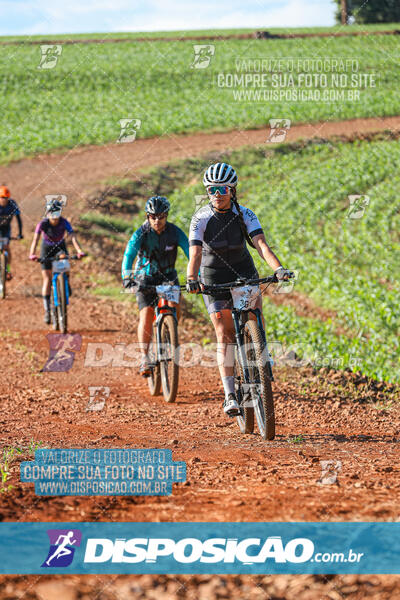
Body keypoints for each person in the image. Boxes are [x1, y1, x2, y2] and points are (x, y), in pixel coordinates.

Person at [186, 162, 292, 417]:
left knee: (254, 310)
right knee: (224, 334)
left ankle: (260, 350)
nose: (217, 194)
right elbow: (195, 253)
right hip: (213, 274)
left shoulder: (246, 214)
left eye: (222, 188)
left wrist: (279, 268)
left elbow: (261, 245)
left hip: (243, 269)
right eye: (211, 189)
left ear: (232, 190)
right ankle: (230, 395)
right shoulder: (200, 218)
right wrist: (191, 277)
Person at [121, 196, 189, 376]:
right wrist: (126, 277)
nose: (157, 220)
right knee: (147, 313)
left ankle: (170, 332)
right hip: (145, 278)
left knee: (175, 308)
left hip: (168, 277)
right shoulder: (140, 233)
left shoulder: (175, 232)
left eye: (161, 216)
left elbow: (190, 251)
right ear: (147, 216)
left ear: (166, 216)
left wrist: (196, 275)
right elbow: (129, 255)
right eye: (153, 217)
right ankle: (144, 357)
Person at [29, 198, 85, 324]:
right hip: (46, 248)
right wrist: (32, 254)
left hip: (60, 247)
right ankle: (47, 310)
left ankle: (66, 281)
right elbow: (35, 240)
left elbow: (73, 237)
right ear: (47, 213)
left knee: (65, 263)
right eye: (51, 212)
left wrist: (79, 250)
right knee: (47, 279)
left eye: (57, 212)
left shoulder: (64, 222)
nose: (54, 216)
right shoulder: (42, 224)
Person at [0, 185, 23, 280]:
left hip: (6, 229)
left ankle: (7, 270)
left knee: (6, 248)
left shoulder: (12, 204)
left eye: (6, 198)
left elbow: (18, 219)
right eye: (2, 198)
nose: (4, 200)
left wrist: (20, 233)